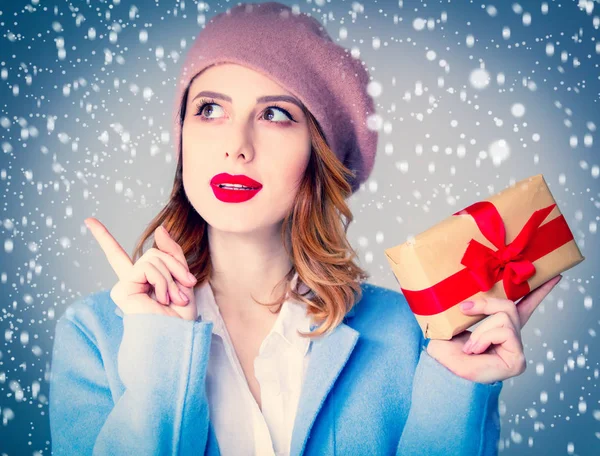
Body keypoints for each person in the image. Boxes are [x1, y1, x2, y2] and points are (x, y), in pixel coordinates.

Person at [48, 2, 562, 455]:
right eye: (209, 110)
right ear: (182, 136)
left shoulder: (412, 335)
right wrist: (159, 353)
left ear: (320, 152)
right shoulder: (94, 335)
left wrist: (458, 386)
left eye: (275, 114)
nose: (237, 146)